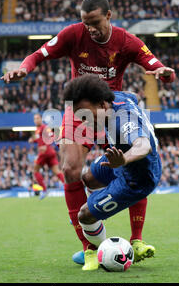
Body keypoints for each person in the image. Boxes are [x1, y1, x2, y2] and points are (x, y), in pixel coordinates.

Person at [1, 0, 175, 268]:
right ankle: (89, 249)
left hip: (110, 109)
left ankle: (137, 240)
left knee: (131, 165)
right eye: (86, 23)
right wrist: (23, 69)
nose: (90, 28)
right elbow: (39, 54)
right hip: (79, 110)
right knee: (71, 170)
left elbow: (153, 63)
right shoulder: (73, 34)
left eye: (95, 22)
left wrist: (164, 72)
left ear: (108, 16)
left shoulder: (126, 41)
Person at [63, 74, 162, 270]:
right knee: (88, 178)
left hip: (136, 178)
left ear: (101, 106)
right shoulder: (117, 97)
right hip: (119, 158)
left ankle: (101, 248)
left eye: (85, 115)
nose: (83, 121)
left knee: (84, 216)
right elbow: (133, 95)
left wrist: (124, 159)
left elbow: (143, 146)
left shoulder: (123, 122)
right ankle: (98, 206)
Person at [28, 113, 64, 199]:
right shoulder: (37, 129)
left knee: (35, 170)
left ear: (41, 119)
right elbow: (38, 139)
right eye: (35, 119)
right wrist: (32, 140)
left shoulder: (44, 127)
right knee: (57, 172)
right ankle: (68, 186)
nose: (36, 120)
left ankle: (44, 190)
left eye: (37, 118)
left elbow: (50, 135)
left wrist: (45, 144)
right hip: (50, 152)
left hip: (45, 151)